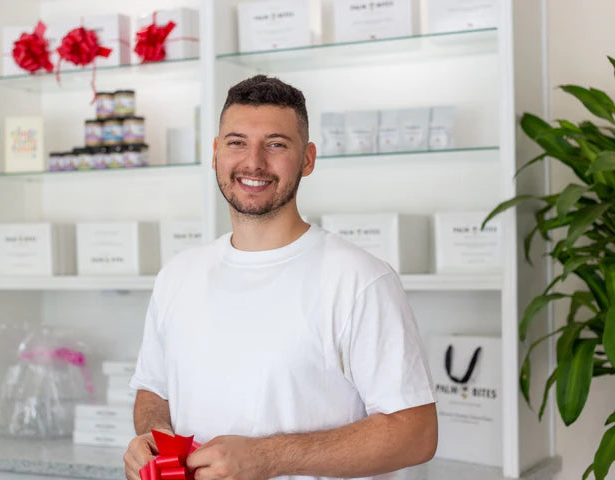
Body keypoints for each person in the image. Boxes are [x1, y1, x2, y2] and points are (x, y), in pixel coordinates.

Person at [124, 75, 437, 480]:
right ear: (215, 153)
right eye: (237, 142)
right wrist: (153, 439)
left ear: (307, 159)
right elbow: (154, 390)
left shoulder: (359, 280)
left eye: (275, 144)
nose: (253, 162)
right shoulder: (178, 275)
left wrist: (268, 457)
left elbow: (416, 434)